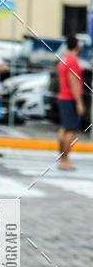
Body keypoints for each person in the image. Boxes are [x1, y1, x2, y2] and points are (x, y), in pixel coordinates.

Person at [57, 35, 84, 171]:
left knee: (64, 129)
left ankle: (62, 157)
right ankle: (65, 160)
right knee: (71, 131)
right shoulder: (72, 60)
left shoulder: (64, 59)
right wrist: (79, 102)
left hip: (63, 96)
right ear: (77, 46)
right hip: (70, 98)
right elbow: (73, 81)